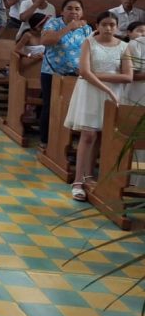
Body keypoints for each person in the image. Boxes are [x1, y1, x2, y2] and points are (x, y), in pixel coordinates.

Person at [63, 11, 133, 201]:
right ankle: (78, 181)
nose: (108, 28)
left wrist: (96, 76)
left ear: (117, 26)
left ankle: (91, 177)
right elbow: (83, 71)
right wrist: (104, 86)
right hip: (90, 93)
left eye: (112, 24)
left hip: (112, 93)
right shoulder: (89, 42)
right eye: (104, 24)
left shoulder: (124, 47)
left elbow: (128, 76)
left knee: (104, 136)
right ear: (98, 26)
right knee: (88, 135)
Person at [38, 0, 91, 149]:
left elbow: (89, 49)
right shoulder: (54, 23)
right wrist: (69, 27)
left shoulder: (86, 28)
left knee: (73, 107)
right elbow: (46, 40)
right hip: (52, 73)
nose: (74, 12)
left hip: (76, 74)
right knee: (50, 105)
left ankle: (64, 141)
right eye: (69, 8)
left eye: (77, 8)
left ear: (82, 12)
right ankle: (44, 140)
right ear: (62, 11)